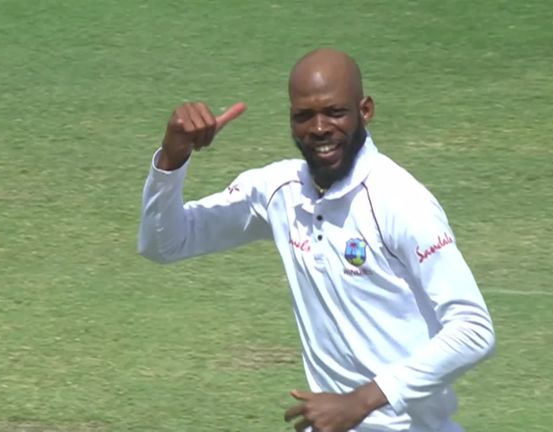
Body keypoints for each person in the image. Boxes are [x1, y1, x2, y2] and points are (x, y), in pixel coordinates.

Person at [137, 48, 495, 432]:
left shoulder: (401, 202)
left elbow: (473, 329)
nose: (319, 128)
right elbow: (165, 244)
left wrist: (361, 401)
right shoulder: (280, 192)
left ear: (365, 111)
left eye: (335, 112)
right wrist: (172, 158)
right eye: (303, 116)